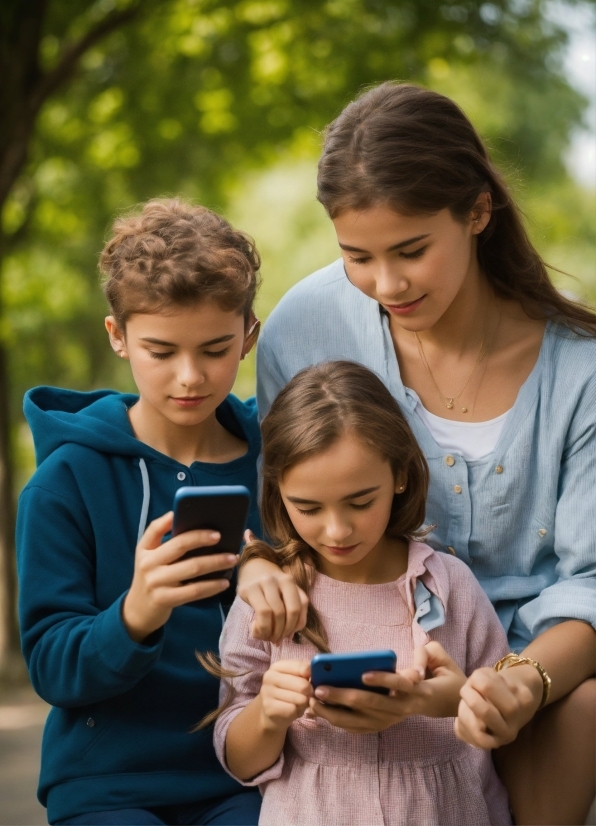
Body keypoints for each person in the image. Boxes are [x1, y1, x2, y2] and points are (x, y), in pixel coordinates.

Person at [240, 83, 596, 825]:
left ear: (476, 211)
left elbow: (589, 580)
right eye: (356, 257)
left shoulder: (581, 371)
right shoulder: (306, 325)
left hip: (542, 674)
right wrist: (256, 563)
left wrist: (518, 681)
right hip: (360, 648)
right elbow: (283, 504)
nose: (387, 285)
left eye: (410, 251)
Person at [16, 199, 263, 825]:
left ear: (249, 334)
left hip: (247, 773)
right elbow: (51, 665)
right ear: (118, 336)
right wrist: (136, 612)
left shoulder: (282, 466)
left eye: (215, 349)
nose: (190, 377)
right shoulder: (65, 482)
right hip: (106, 785)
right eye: (162, 351)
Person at [210, 361, 512, 826]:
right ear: (278, 493)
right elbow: (239, 760)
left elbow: (505, 722)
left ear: (400, 475)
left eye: (360, 501)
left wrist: (448, 701)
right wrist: (268, 714)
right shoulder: (269, 596)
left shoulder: (449, 584)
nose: (337, 530)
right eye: (307, 507)